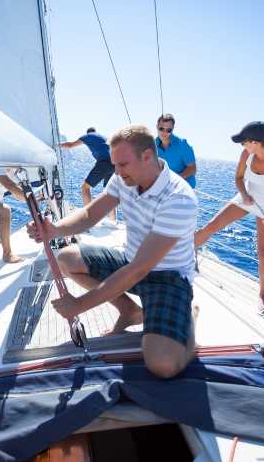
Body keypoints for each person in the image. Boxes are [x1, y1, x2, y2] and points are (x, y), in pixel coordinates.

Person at [28, 125, 199, 379]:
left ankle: (190, 320)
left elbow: (140, 268)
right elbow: (90, 214)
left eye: (122, 165)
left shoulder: (178, 199)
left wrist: (80, 305)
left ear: (148, 157)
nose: (116, 172)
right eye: (114, 165)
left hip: (167, 278)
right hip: (130, 263)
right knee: (66, 258)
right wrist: (54, 230)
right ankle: (130, 311)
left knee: (163, 365)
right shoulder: (123, 179)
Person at [195, 121, 264, 313]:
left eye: (244, 142)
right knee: (211, 226)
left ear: (256, 142)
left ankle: (262, 296)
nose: (243, 146)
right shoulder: (246, 154)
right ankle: (181, 256)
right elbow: (239, 178)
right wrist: (244, 194)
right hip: (247, 197)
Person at [60, 127, 116, 224]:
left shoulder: (87, 136)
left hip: (105, 163)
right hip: (115, 163)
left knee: (85, 188)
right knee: (109, 193)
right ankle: (113, 221)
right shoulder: (103, 137)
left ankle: (89, 218)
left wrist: (56, 145)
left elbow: (70, 145)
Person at [155, 113, 197, 189]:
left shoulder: (182, 145)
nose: (164, 132)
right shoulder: (153, 145)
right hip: (166, 189)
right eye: (161, 129)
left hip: (184, 189)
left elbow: (192, 169)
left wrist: (173, 180)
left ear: (172, 129)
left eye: (168, 130)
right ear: (157, 126)